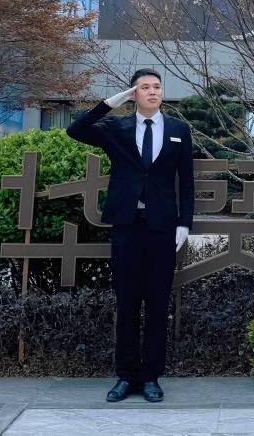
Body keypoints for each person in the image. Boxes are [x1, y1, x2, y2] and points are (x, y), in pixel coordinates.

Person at [67, 69, 194, 404]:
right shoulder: (117, 128)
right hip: (127, 224)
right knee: (126, 302)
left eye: (157, 87)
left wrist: (184, 224)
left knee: (157, 303)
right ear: (133, 94)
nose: (152, 92)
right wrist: (111, 103)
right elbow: (75, 129)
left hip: (162, 227)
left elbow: (187, 180)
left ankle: (151, 377)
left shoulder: (179, 130)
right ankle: (125, 376)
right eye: (144, 87)